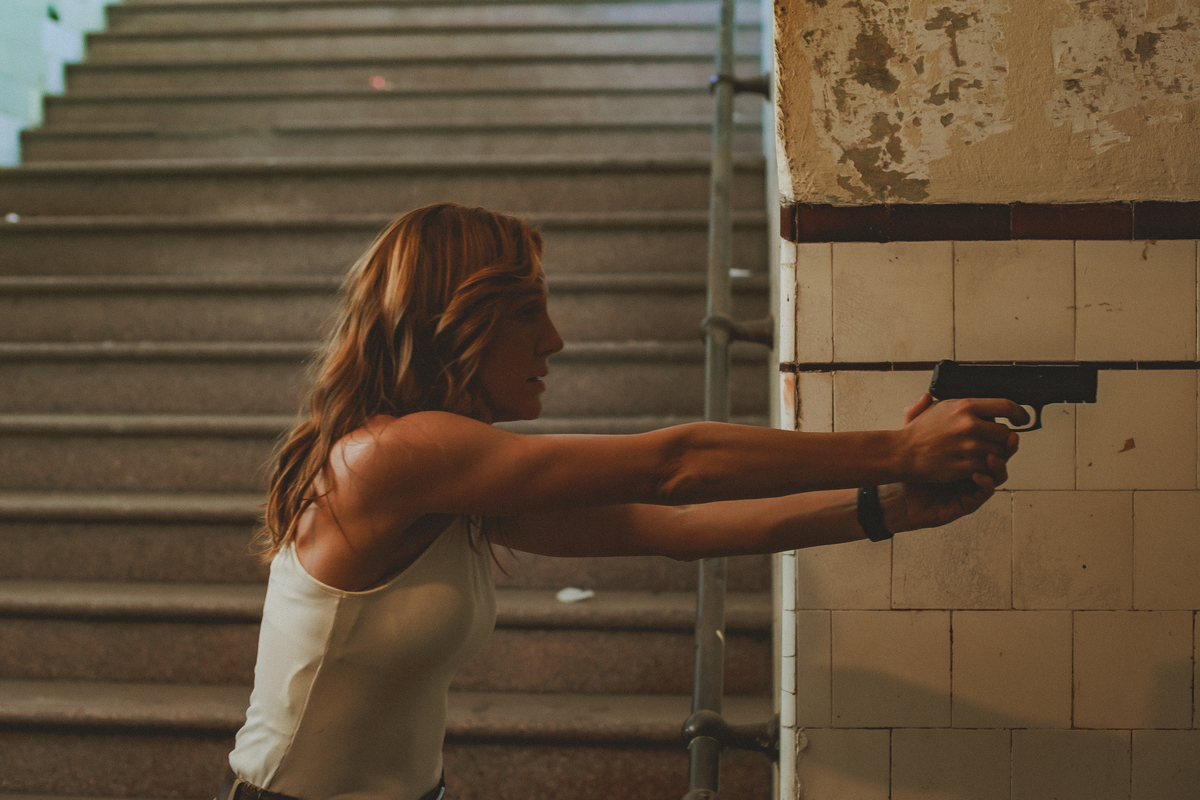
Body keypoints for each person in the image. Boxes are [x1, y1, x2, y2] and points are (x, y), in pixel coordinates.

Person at [220, 202, 1024, 800]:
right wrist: (897, 450)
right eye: (528, 310)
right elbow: (672, 468)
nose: (554, 339)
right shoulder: (393, 457)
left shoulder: (446, 482)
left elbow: (671, 527)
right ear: (456, 321)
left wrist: (885, 507)